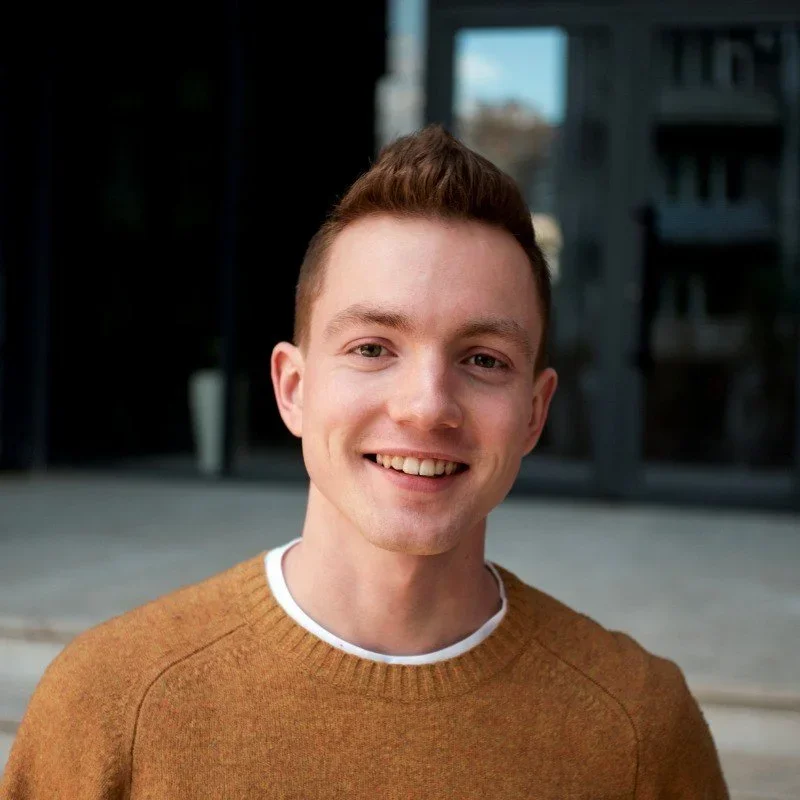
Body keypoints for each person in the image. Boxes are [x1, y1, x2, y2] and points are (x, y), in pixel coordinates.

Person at [1, 125, 729, 799]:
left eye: (483, 359)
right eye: (373, 348)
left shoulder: (639, 728)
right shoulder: (109, 702)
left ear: (535, 412)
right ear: (293, 387)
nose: (425, 406)